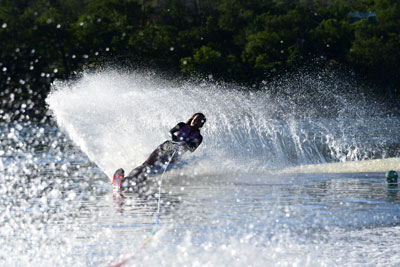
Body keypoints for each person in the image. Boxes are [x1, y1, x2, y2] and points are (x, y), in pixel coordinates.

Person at [112, 113, 206, 191]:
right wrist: (176, 139)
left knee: (151, 170)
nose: (196, 121)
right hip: (165, 147)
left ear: (201, 124)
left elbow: (192, 148)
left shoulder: (198, 137)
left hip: (174, 156)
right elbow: (171, 132)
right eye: (196, 119)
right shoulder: (182, 125)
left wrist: (185, 144)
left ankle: (134, 183)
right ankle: (126, 180)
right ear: (192, 118)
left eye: (199, 120)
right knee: (146, 165)